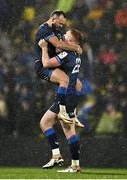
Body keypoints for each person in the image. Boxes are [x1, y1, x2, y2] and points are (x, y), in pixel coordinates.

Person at [39, 29, 82, 172]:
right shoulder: (76, 55)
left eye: (66, 37)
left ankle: (67, 161)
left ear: (71, 42)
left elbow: (46, 63)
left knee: (50, 125)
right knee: (63, 128)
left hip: (65, 98)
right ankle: (72, 163)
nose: (63, 38)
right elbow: (79, 85)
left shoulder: (67, 54)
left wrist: (44, 48)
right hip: (72, 96)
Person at [34, 10, 83, 124]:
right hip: (44, 65)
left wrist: (75, 46)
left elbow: (61, 46)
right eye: (60, 23)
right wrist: (76, 48)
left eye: (63, 24)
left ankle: (72, 112)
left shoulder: (56, 30)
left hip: (55, 63)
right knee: (64, 80)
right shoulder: (45, 30)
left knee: (78, 84)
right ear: (53, 19)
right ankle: (60, 109)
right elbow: (59, 45)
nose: (62, 26)